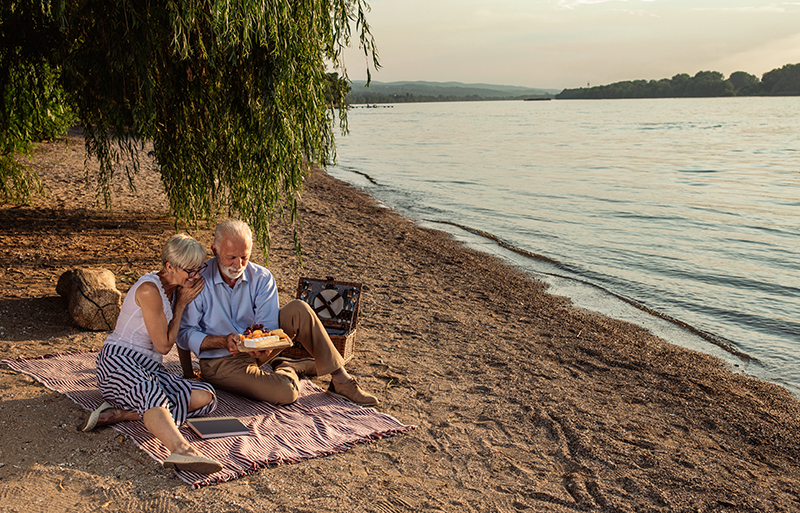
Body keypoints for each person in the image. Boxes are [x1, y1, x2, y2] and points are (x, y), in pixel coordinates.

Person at [177, 219, 378, 407]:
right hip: (220, 362)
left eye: (244, 257)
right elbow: (185, 333)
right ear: (215, 250)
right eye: (231, 258)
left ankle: (341, 380)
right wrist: (221, 343)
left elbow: (269, 326)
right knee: (287, 392)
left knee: (299, 309)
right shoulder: (197, 281)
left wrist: (265, 345)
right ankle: (289, 367)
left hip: (257, 351)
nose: (238, 265)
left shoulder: (262, 277)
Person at [79, 234, 223, 474]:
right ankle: (181, 449)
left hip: (150, 367)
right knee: (151, 392)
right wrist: (180, 307)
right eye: (190, 270)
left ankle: (123, 414)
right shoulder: (149, 290)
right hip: (118, 362)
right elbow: (164, 346)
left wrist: (188, 373)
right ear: (169, 267)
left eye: (198, 269)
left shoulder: (177, 287)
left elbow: (179, 336)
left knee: (205, 395)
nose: (196, 275)